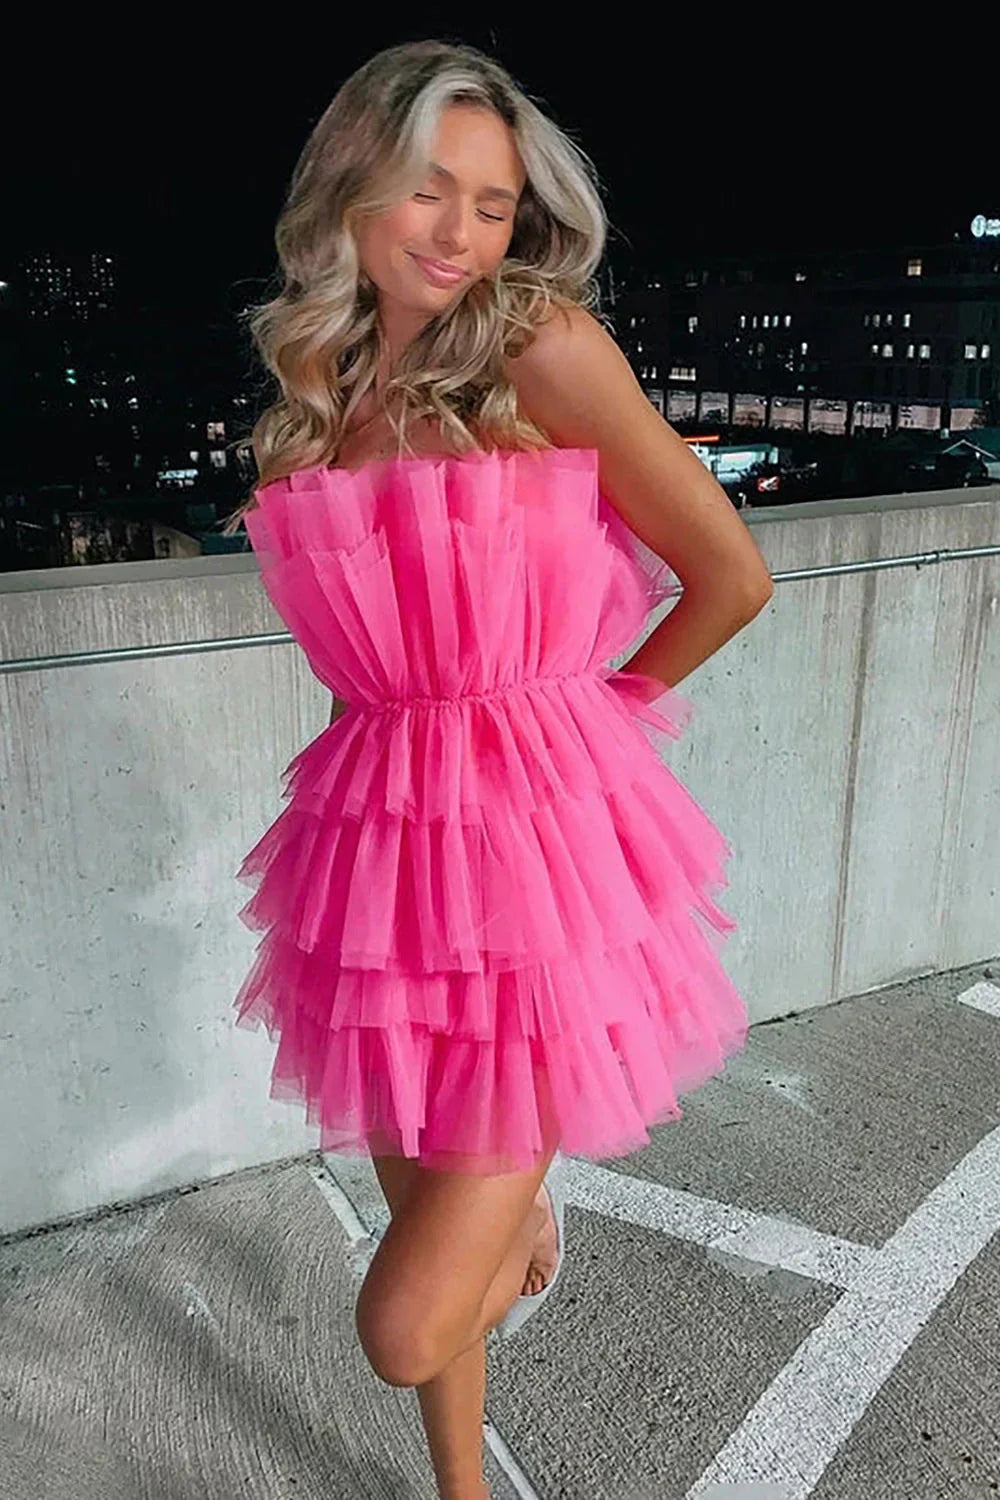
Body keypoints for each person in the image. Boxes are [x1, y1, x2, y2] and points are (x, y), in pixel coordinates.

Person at [222, 38, 773, 1500]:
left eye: (492, 202)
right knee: (428, 1209)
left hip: (541, 855)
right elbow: (371, 652)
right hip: (382, 850)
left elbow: (729, 575)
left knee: (404, 1321)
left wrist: (595, 737)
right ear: (350, 188)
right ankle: (465, 1486)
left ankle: (529, 1208)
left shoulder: (539, 346)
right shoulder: (323, 394)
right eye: (429, 189)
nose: (460, 232)